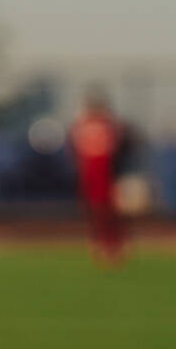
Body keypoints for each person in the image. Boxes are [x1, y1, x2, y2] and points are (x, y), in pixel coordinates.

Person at [70, 88, 128, 265]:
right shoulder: (84, 122)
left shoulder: (106, 123)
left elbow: (117, 147)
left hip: (105, 172)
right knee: (93, 210)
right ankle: (98, 244)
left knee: (108, 210)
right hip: (90, 173)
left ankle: (113, 244)